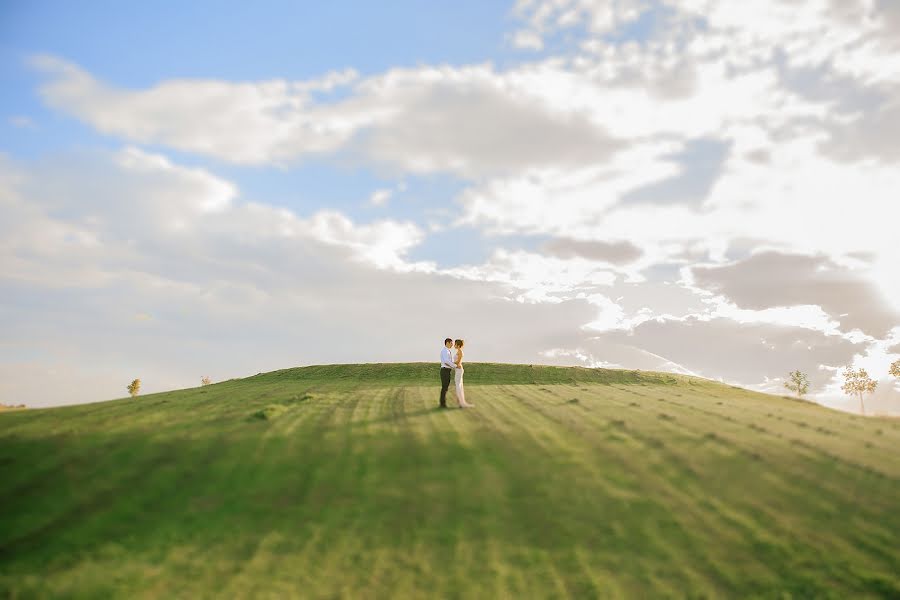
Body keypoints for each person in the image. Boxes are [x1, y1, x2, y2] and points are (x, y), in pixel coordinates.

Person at [454, 339, 474, 408]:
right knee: (459, 385)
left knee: (458, 386)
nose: (454, 345)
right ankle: (461, 402)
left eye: (455, 344)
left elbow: (458, 362)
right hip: (457, 370)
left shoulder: (460, 352)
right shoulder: (458, 351)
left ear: (458, 345)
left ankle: (462, 403)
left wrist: (449, 362)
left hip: (459, 369)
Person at [439, 338, 455, 408]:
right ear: (447, 343)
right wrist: (454, 366)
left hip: (447, 371)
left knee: (445, 387)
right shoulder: (445, 351)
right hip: (445, 370)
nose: (452, 344)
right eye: (451, 343)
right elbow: (446, 361)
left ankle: (443, 402)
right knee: (444, 387)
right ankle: (442, 403)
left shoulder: (447, 351)